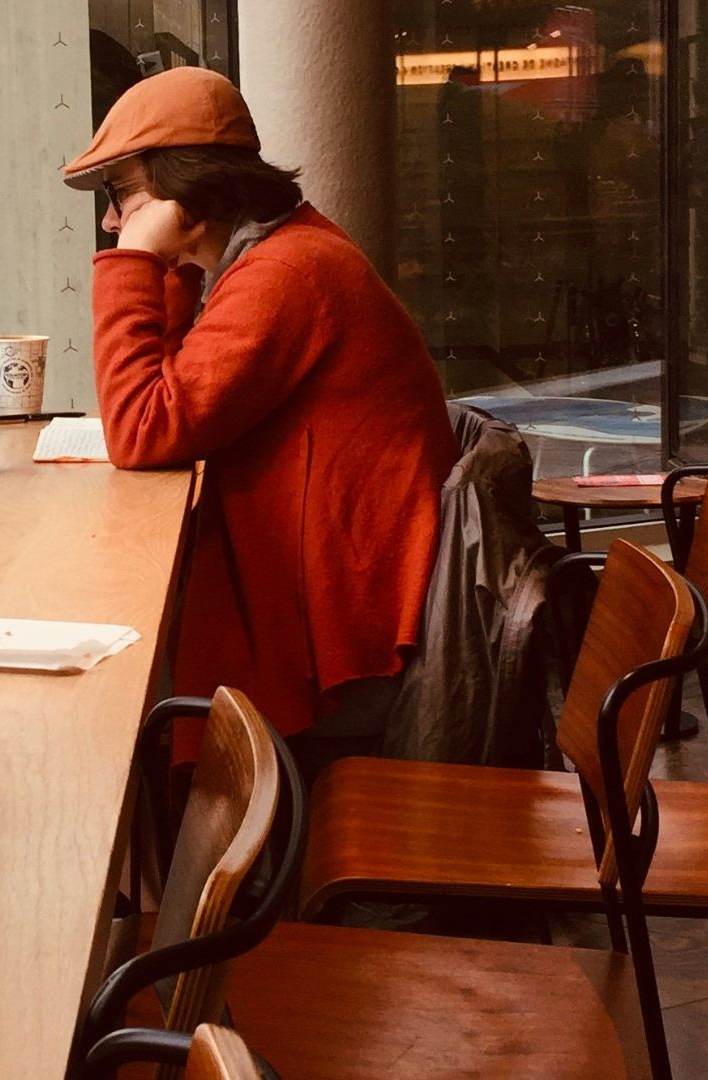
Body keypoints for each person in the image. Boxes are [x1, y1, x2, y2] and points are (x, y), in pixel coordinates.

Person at [61, 67, 457, 779]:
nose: (112, 220)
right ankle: (164, 865)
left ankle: (170, 871)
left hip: (345, 639)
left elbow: (142, 429)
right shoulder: (279, 256)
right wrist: (171, 272)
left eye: (122, 193)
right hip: (331, 595)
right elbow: (174, 393)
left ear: (188, 186)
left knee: (103, 678)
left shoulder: (286, 274)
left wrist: (132, 264)